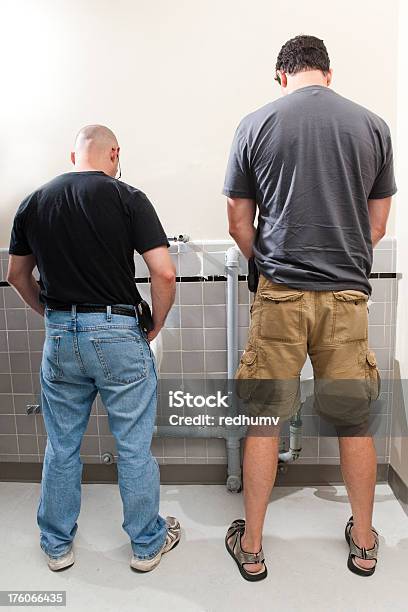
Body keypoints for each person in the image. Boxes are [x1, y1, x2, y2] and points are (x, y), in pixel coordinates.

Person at [223, 35, 396, 581]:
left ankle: (251, 547)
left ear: (281, 75)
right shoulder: (372, 126)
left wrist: (272, 266)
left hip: (279, 295)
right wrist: (342, 265)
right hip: (347, 297)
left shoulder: (254, 124)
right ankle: (364, 542)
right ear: (328, 71)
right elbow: (377, 226)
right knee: (354, 421)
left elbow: (237, 222)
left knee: (264, 421)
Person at [7, 125, 181, 572]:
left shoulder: (34, 202)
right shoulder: (128, 198)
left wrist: (49, 314)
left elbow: (16, 276)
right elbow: (163, 273)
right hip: (118, 331)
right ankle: (146, 546)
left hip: (62, 335)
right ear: (114, 154)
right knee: (134, 447)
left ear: (73, 156)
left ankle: (57, 546)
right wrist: (156, 323)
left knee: (61, 445)